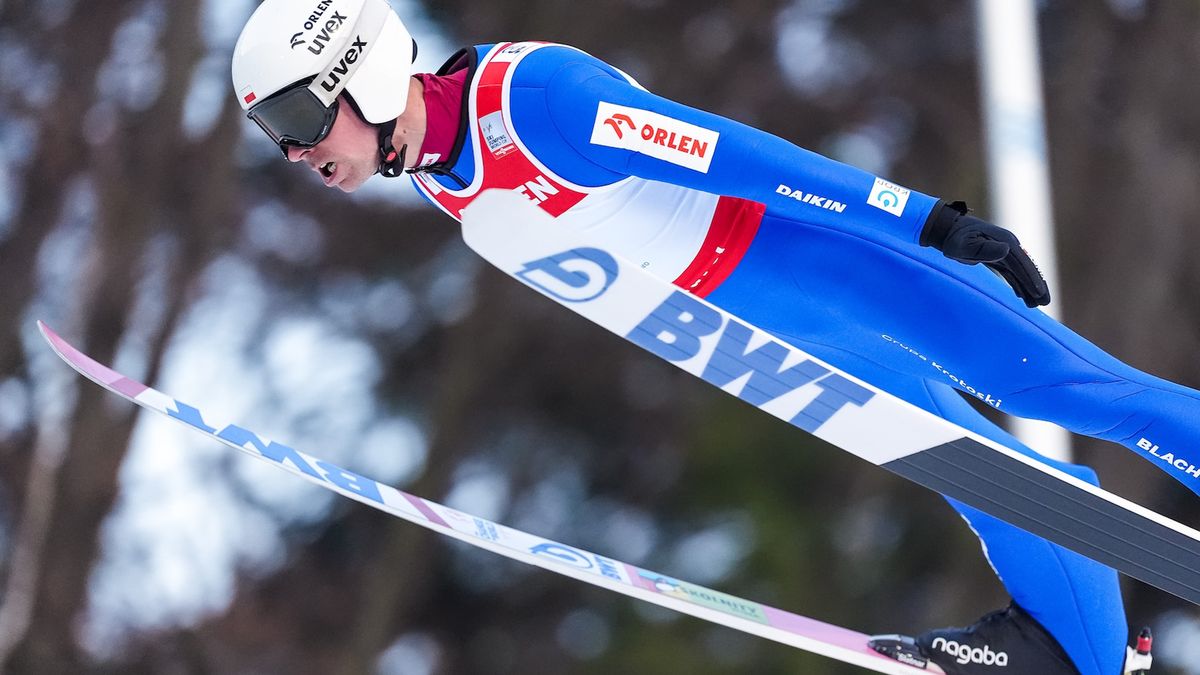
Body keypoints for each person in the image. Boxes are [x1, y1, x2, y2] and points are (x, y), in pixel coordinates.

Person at [230, 0, 1175, 672]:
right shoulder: (442, 174)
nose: (298, 152)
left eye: (299, 116)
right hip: (765, 315)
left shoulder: (538, 101)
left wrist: (921, 219)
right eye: (278, 134)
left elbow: (736, 154)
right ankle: (1080, 645)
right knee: (972, 467)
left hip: (831, 256)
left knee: (1072, 391)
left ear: (365, 69)